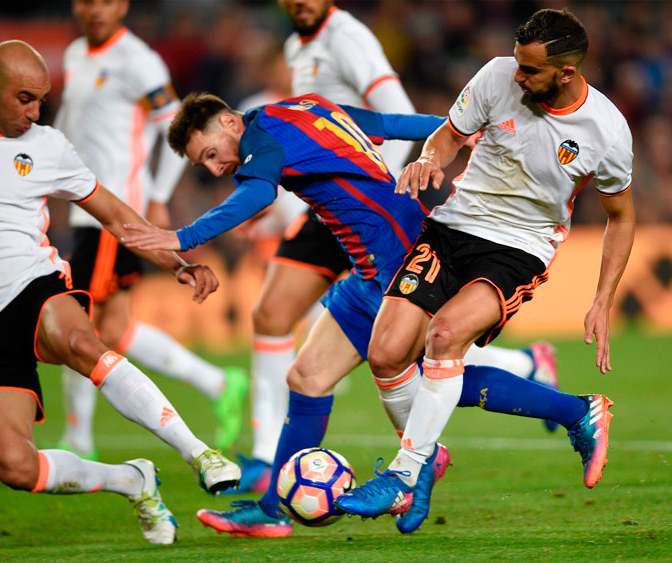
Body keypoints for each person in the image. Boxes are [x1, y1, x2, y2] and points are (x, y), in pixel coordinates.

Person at [122, 91, 609, 538]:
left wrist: (181, 238)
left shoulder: (261, 137)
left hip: (398, 255)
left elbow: (258, 195)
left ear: (229, 122)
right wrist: (455, 128)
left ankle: (572, 413)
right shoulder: (302, 108)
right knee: (308, 376)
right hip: (368, 265)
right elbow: (384, 122)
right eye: (203, 164)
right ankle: (274, 510)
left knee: (430, 375)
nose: (213, 168)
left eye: (209, 154)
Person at [239, 0, 560, 493]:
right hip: (328, 204)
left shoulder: (347, 37)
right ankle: (273, 474)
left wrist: (367, 180)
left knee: (414, 353)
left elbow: (393, 113)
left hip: (367, 203)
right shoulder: (295, 45)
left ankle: (514, 391)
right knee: (284, 329)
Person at [335, 7, 634, 533]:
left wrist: (603, 298)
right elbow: (449, 135)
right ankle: (572, 412)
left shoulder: (606, 131)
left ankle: (405, 474)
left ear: (565, 73)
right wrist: (431, 158)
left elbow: (621, 217)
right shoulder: (497, 74)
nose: (517, 76)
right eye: (518, 64)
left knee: (444, 337)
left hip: (519, 246)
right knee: (384, 355)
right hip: (453, 227)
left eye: (531, 70)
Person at [0, 40, 241, 546]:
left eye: (41, 101)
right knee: (13, 465)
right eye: (24, 99)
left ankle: (197, 450)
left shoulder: (47, 146)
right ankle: (130, 479)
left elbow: (117, 215)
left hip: (32, 284)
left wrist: (178, 262)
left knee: (83, 344)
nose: (34, 112)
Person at [53, 0, 248, 460]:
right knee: (113, 328)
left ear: (121, 5)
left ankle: (78, 439)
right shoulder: (77, 53)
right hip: (86, 211)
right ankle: (218, 381)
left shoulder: (139, 60)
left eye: (105, 1)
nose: (94, 10)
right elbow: (68, 122)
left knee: (78, 324)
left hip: (113, 210)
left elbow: (172, 126)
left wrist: (157, 197)